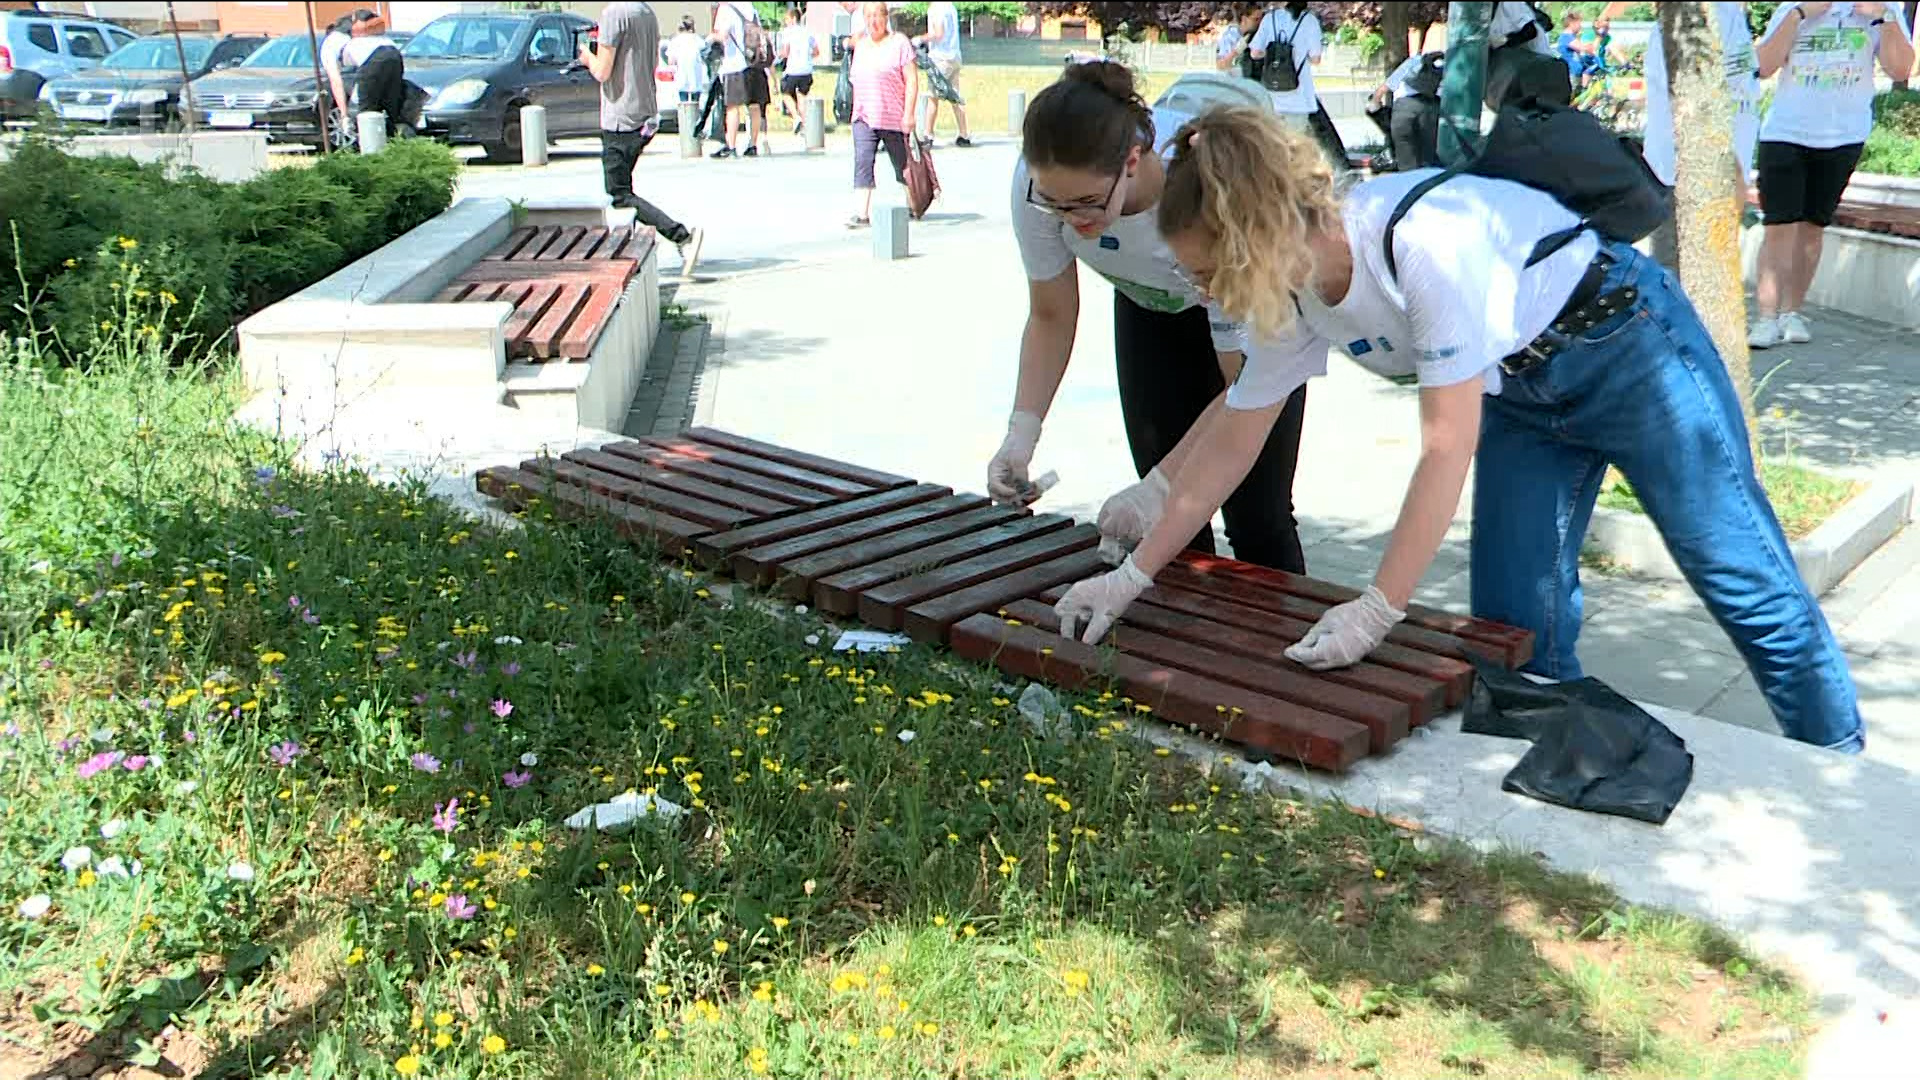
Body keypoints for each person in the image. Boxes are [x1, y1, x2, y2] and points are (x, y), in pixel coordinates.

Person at [1051, 104, 1866, 755]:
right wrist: (1133, 577)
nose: (1201, 294)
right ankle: (1561, 792)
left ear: (1253, 241)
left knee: (1740, 579)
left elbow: (1445, 447)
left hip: (1629, 345)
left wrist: (1378, 608)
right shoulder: (1288, 293)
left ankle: (1841, 762)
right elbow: (1235, 438)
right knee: (1516, 629)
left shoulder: (1419, 244)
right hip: (1522, 391)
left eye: (1207, 273)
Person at [996, 63, 1321, 574]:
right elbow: (1051, 313)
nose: (1072, 220)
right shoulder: (1038, 187)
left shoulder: (1205, 195)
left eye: (1086, 204)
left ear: (1132, 160)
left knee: (1256, 517)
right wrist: (1021, 434)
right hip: (1151, 310)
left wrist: (1161, 486)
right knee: (1171, 529)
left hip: (1248, 304)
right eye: (1055, 205)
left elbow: (1243, 383)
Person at [1749, 1, 1915, 349]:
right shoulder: (1793, 7)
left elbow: (1901, 68)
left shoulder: (1882, 11)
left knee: (1813, 226)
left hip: (1843, 136)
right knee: (1779, 226)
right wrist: (1799, 15)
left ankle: (1791, 312)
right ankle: (1765, 318)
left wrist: (1883, 17)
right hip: (1786, 133)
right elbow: (1762, 66)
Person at [1622, 0, 1760, 269]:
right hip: (1690, 174)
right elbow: (1689, 102)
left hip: (1719, 174)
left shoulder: (1729, 13)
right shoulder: (1688, 17)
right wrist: (1730, 166)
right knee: (1682, 278)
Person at [580, 2, 705, 279]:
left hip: (620, 117)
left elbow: (602, 71)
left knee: (619, 194)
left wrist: (586, 55)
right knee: (623, 192)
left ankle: (680, 235)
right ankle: (632, 253)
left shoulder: (613, 14)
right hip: (644, 112)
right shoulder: (645, 12)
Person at [845, 2, 917, 228]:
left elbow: (912, 80)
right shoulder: (862, 46)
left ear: (886, 18)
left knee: (902, 163)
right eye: (868, 16)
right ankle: (862, 213)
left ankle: (913, 204)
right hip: (864, 115)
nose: (873, 21)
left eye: (877, 16)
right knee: (863, 161)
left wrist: (909, 113)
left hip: (893, 115)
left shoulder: (899, 43)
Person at [1247, 1, 1323, 133]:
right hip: (1299, 98)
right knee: (1296, 142)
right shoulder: (1309, 20)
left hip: (1272, 98)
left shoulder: (1270, 18)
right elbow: (1316, 59)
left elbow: (1255, 53)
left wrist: (1273, 54)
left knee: (1273, 142)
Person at [914, 0, 971, 147]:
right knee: (955, 96)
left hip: (941, 58)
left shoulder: (936, 8)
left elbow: (938, 33)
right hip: (955, 56)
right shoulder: (950, 6)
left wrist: (920, 39)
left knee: (933, 97)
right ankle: (964, 134)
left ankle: (928, 135)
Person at [707, 0, 760, 157]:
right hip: (753, 61)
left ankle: (731, 145)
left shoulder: (726, 9)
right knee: (753, 106)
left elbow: (723, 36)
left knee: (732, 106)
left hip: (733, 65)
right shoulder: (751, 8)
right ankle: (753, 145)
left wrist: (711, 37)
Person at [343, 10, 407, 138]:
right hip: (395, 58)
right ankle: (395, 137)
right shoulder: (387, 40)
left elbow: (347, 65)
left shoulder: (353, 44)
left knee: (367, 109)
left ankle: (370, 141)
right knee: (392, 105)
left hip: (372, 65)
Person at [778, 6, 820, 138]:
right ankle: (805, 126)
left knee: (785, 93)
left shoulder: (788, 32)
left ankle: (796, 117)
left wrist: (779, 56)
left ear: (793, 18)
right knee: (802, 96)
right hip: (806, 70)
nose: (786, 22)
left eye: (787, 19)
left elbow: (786, 52)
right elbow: (816, 51)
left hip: (793, 69)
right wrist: (807, 56)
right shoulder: (808, 32)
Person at [666, 14, 708, 119]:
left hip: (682, 78)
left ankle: (685, 124)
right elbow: (705, 52)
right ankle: (694, 124)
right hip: (696, 79)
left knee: (684, 106)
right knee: (695, 107)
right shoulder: (697, 39)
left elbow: (671, 61)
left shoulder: (675, 41)